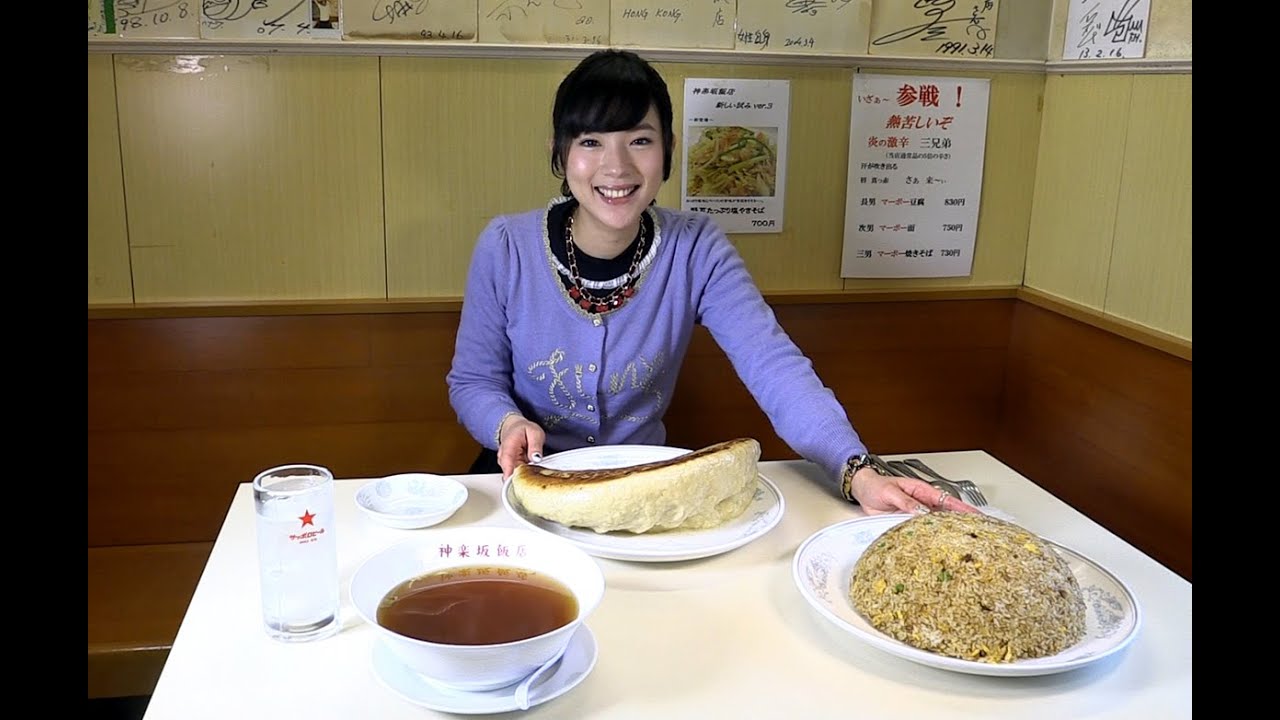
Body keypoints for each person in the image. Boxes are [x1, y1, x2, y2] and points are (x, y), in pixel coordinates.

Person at [446, 49, 974, 516]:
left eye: (640, 140)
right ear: (561, 153)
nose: (616, 166)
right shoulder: (507, 246)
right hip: (523, 486)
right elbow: (473, 380)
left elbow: (773, 365)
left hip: (639, 490)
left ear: (669, 149)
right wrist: (506, 425)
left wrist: (856, 469)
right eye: (591, 141)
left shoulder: (696, 247)